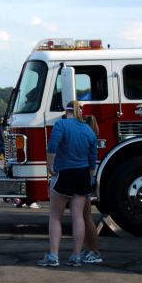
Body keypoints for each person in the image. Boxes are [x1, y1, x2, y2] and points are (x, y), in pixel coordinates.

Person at [38, 100, 99, 267]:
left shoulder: (61, 124)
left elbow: (53, 144)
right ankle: (76, 256)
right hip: (82, 175)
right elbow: (93, 157)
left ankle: (53, 256)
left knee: (55, 217)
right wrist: (90, 177)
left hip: (64, 173)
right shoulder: (89, 130)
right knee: (78, 216)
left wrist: (49, 165)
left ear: (67, 111)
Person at [71, 102, 103, 264]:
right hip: (87, 180)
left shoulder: (87, 139)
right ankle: (89, 250)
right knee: (84, 216)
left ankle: (95, 252)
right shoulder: (91, 138)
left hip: (85, 181)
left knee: (87, 218)